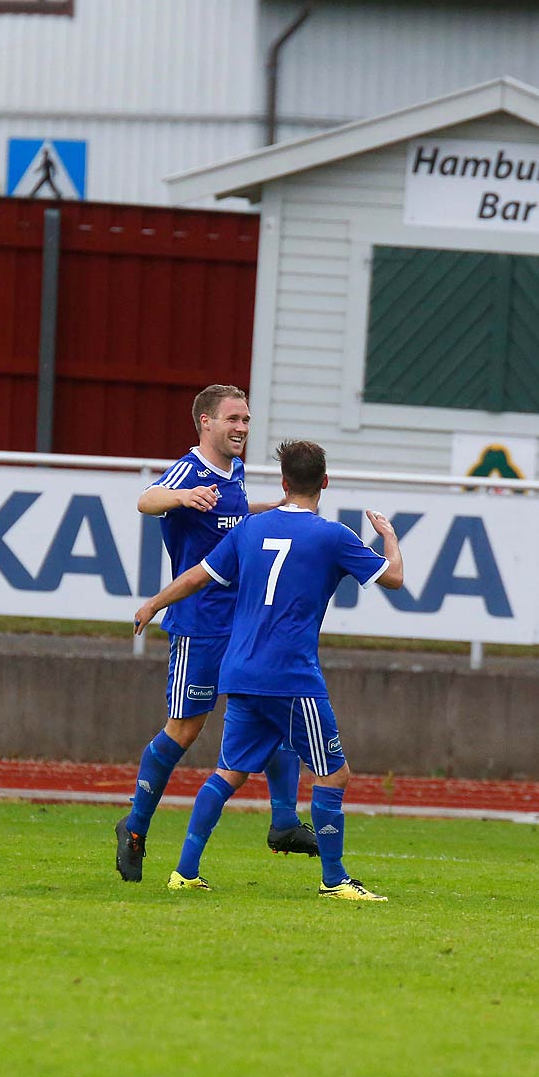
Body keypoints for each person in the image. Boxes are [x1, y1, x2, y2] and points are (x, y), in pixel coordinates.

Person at [133, 439, 404, 902]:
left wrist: (155, 603)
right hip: (292, 677)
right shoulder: (333, 535)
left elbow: (199, 575)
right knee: (333, 775)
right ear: (324, 481)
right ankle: (334, 880)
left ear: (282, 483)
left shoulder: (249, 530)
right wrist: (390, 538)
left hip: (238, 671)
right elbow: (394, 578)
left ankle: (184, 872)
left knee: (229, 772)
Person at [114, 384, 317, 883]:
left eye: (246, 420)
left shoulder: (236, 472)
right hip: (199, 625)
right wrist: (181, 496)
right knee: (186, 729)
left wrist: (279, 508)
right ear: (205, 422)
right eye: (233, 419)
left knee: (275, 707)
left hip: (243, 621)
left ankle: (285, 821)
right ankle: (135, 826)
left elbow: (233, 516)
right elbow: (145, 499)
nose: (242, 428)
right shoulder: (191, 470)